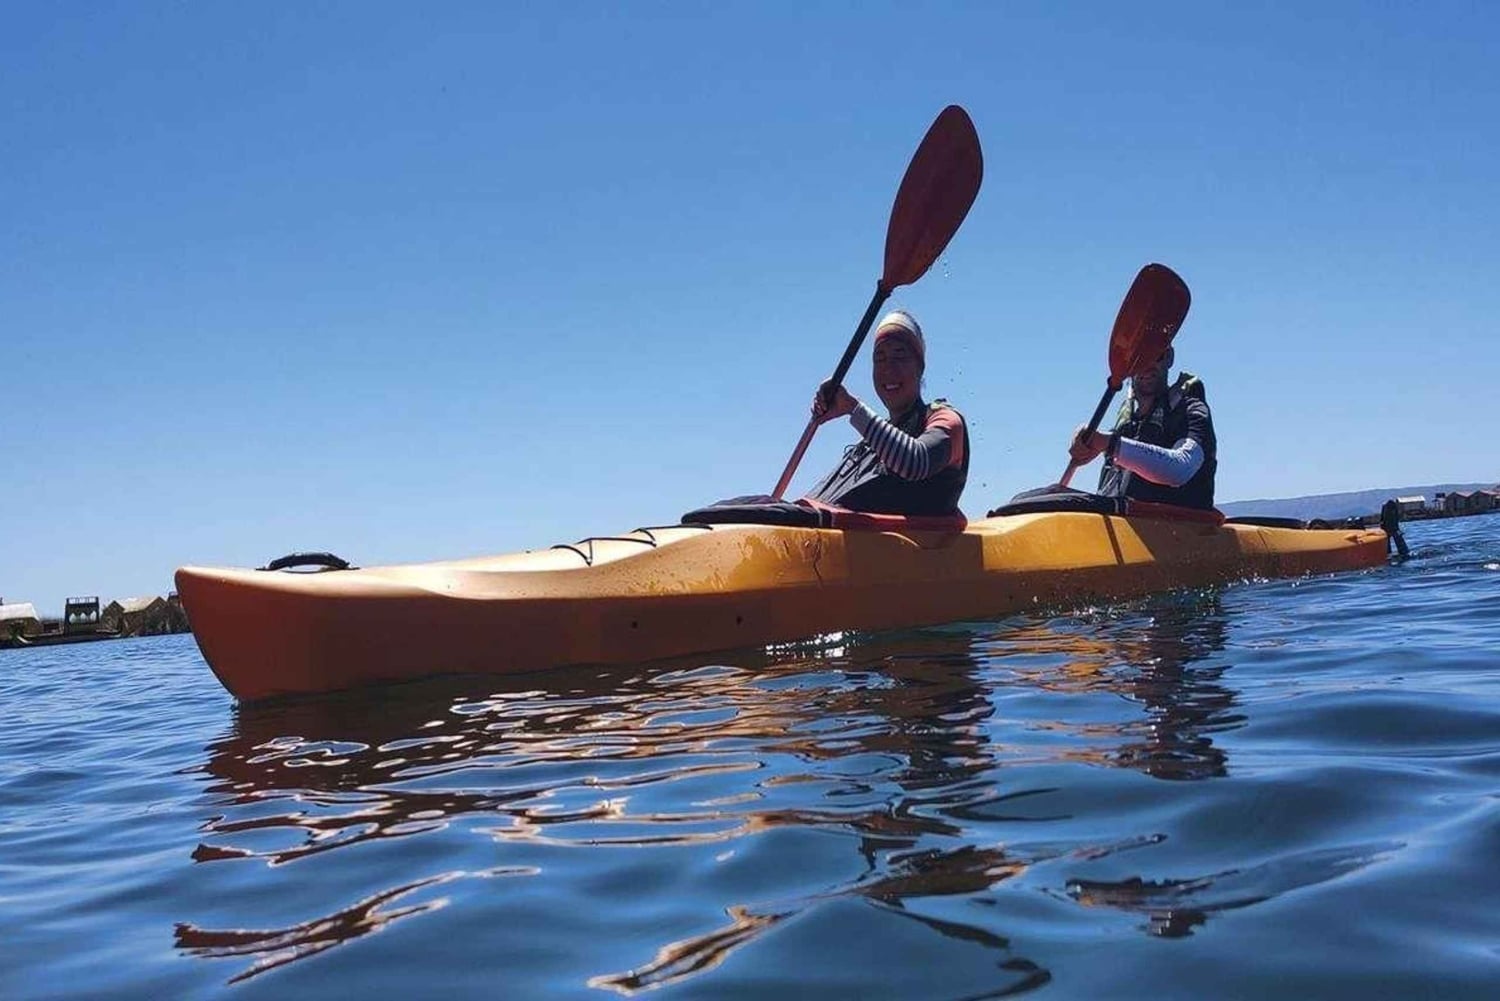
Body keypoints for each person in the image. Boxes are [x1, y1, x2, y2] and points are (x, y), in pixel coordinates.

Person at [803, 310, 969, 516]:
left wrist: (852, 408)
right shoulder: (871, 444)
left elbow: (915, 462)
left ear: (920, 367)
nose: (889, 369)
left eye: (900, 356)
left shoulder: (945, 419)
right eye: (879, 358)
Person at [1066, 345, 1217, 509]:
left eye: (1156, 355)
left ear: (1169, 357)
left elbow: (1181, 467)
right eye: (1138, 359)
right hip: (1121, 524)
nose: (1147, 365)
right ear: (1127, 366)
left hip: (1179, 526)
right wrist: (1086, 438)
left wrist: (1109, 444)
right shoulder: (1126, 425)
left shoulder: (1191, 409)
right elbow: (1106, 441)